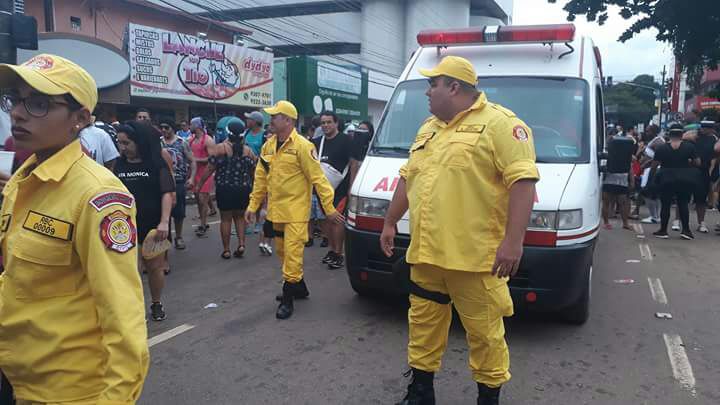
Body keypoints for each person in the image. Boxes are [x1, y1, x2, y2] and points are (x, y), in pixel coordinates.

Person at [380, 56, 539, 405]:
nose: (427, 91)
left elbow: (523, 183)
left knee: (484, 334)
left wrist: (513, 242)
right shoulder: (428, 128)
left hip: (474, 259)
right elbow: (409, 177)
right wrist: (390, 221)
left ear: (454, 87)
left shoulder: (502, 125)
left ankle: (488, 398)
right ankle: (421, 392)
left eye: (432, 84)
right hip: (426, 253)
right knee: (423, 324)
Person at [0, 54, 148, 403]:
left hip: (68, 391)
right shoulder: (22, 179)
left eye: (38, 104)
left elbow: (123, 316)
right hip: (17, 375)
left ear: (80, 119)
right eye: (15, 100)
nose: (18, 113)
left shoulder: (99, 197)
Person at [244, 100, 342, 320]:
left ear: (287, 120)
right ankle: (300, 287)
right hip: (276, 212)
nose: (270, 120)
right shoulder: (268, 146)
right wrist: (253, 206)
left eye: (274, 116)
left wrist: (329, 208)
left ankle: (288, 298)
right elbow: (260, 179)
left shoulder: (303, 147)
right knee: (282, 253)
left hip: (296, 214)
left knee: (293, 255)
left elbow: (319, 179)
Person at [115, 120, 175, 320]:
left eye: (126, 143)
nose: (122, 148)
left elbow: (167, 192)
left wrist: (164, 222)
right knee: (132, 269)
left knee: (155, 267)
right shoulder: (119, 164)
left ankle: (156, 303)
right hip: (125, 228)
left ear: (139, 142)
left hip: (154, 227)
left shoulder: (155, 162)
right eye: (120, 143)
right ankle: (134, 306)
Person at [199, 118, 256, 259]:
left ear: (227, 133)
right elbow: (254, 173)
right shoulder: (249, 151)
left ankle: (226, 250)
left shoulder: (220, 148)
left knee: (225, 219)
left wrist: (200, 184)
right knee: (240, 218)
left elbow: (210, 168)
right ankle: (241, 244)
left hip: (225, 189)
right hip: (243, 189)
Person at [313, 111, 352, 270]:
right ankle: (332, 250)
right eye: (323, 123)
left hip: (341, 189)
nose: (326, 125)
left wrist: (351, 186)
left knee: (336, 220)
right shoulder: (316, 142)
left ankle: (339, 254)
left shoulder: (346, 140)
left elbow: (354, 163)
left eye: (329, 122)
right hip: (322, 189)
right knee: (327, 220)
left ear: (336, 123)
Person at [651, 123, 700, 240]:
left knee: (666, 204)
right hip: (684, 178)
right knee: (683, 203)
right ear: (682, 134)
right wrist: (688, 163)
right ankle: (686, 230)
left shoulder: (662, 148)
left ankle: (663, 230)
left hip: (666, 178)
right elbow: (698, 163)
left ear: (669, 134)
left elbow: (654, 166)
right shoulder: (689, 147)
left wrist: (654, 178)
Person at [160, 119, 196, 250]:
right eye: (162, 127)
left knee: (179, 213)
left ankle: (179, 237)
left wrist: (191, 178)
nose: (164, 130)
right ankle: (166, 238)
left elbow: (192, 161)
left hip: (179, 181)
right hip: (163, 183)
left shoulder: (182, 142)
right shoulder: (159, 143)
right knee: (164, 213)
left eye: (167, 127)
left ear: (173, 129)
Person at [602, 130, 636, 230]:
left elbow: (603, 167)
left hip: (609, 180)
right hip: (622, 180)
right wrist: (632, 180)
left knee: (606, 202)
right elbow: (630, 167)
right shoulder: (627, 156)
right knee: (623, 203)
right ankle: (625, 223)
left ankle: (606, 222)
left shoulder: (608, 154)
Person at [189, 116, 216, 237]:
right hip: (194, 174)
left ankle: (203, 225)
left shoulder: (208, 140)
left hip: (206, 173)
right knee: (199, 200)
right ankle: (203, 222)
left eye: (191, 125)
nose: (189, 127)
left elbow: (212, 158)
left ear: (197, 126)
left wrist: (196, 160)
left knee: (202, 200)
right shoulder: (191, 140)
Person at [639, 124, 665, 224]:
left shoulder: (659, 142)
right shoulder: (654, 141)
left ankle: (655, 216)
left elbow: (659, 158)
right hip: (648, 170)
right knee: (653, 194)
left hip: (653, 170)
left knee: (648, 192)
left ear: (654, 132)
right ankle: (655, 216)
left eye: (648, 131)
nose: (646, 133)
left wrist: (647, 163)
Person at [349, 120, 374, 188]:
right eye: (359, 129)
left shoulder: (373, 150)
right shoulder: (351, 147)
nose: (361, 132)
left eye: (364, 130)